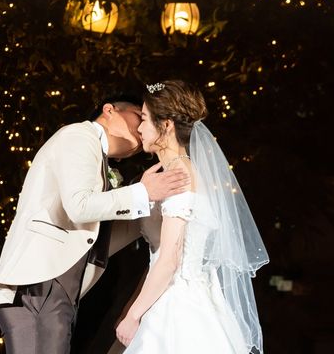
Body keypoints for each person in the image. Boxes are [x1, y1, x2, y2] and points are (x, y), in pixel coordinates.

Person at [0, 96, 190, 354]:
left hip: (59, 286)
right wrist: (141, 193)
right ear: (110, 110)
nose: (141, 128)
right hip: (38, 280)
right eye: (139, 115)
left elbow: (98, 235)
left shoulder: (101, 162)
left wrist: (152, 205)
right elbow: (79, 206)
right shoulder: (79, 136)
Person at [115, 81, 269, 354]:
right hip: (174, 295)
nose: (139, 128)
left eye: (145, 119)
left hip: (178, 304)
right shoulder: (177, 171)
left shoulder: (179, 176)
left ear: (166, 125)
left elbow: (170, 259)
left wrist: (133, 315)